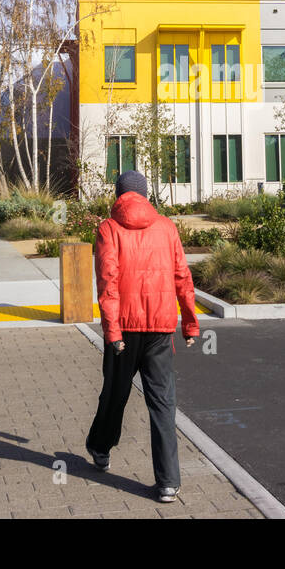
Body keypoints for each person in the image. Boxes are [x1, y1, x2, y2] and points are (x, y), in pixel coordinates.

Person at [85, 170, 199, 503]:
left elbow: (108, 282)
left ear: (118, 194)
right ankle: (168, 482)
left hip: (124, 330)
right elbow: (182, 277)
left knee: (114, 395)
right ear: (146, 195)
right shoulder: (167, 227)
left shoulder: (108, 228)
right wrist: (190, 324)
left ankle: (100, 448)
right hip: (160, 331)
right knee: (163, 404)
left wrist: (113, 332)